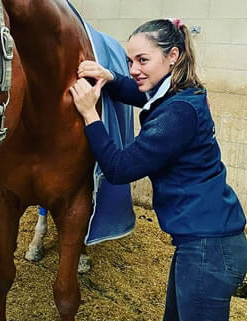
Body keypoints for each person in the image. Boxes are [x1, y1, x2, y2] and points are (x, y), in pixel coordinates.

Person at [69, 18, 247, 321]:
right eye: (129, 61)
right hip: (204, 241)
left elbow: (118, 168)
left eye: (143, 60)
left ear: (173, 55)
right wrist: (110, 76)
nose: (134, 69)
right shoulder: (182, 92)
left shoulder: (177, 112)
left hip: (208, 249)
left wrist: (89, 115)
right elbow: (138, 93)